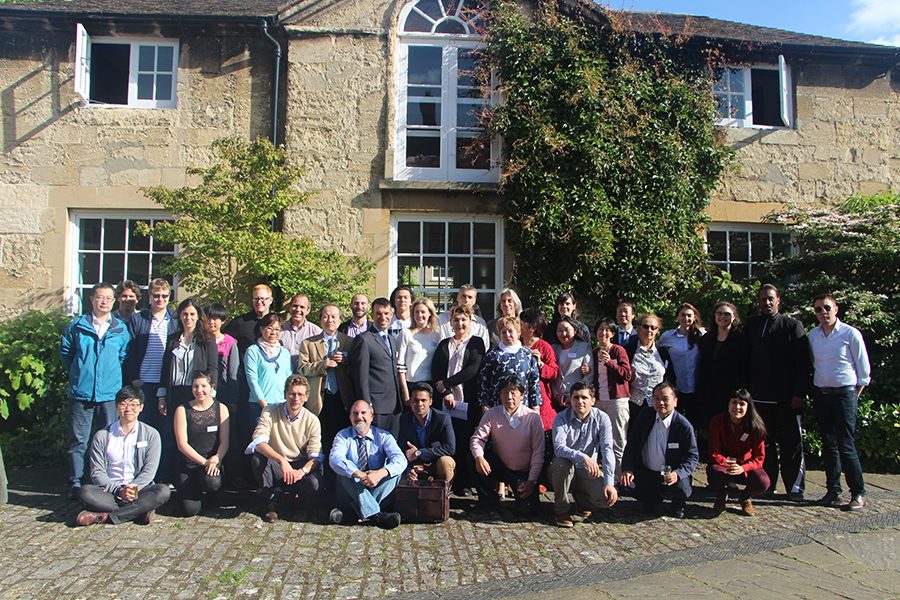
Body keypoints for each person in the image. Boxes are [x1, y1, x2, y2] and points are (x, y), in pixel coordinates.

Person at [60, 282, 131, 495]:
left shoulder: (119, 328)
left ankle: (105, 482)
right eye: (100, 297)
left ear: (114, 301)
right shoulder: (77, 325)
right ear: (91, 299)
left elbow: (123, 357)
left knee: (108, 440)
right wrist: (79, 374)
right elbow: (67, 354)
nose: (104, 302)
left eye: (109, 298)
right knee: (79, 440)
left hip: (109, 394)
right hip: (82, 393)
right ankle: (76, 482)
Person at [745, 284, 811, 501]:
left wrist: (799, 393)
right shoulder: (753, 324)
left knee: (791, 444)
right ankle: (768, 484)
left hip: (786, 399)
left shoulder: (792, 325)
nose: (767, 303)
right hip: (759, 398)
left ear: (778, 300)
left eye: (770, 299)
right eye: (763, 299)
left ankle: (794, 487)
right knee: (765, 444)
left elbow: (804, 364)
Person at [809, 294, 871, 511]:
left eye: (826, 308)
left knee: (846, 445)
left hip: (844, 394)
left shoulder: (850, 333)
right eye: (818, 309)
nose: (823, 312)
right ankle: (833, 490)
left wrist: (854, 394)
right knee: (829, 445)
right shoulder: (813, 336)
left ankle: (858, 493)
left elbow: (863, 370)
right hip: (822, 394)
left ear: (836, 309)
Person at [75, 386, 171, 526]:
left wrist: (132, 489)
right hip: (111, 492)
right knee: (85, 492)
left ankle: (105, 517)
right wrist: (119, 491)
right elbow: (97, 473)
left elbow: (149, 471)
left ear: (141, 407)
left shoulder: (151, 435)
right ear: (116, 406)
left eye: (133, 405)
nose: (128, 409)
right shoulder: (102, 436)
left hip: (139, 491)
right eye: (123, 404)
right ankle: (140, 511)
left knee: (163, 491)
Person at [246, 375, 324, 522]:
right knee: (257, 459)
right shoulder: (270, 411)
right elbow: (258, 442)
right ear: (285, 394)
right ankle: (272, 502)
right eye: (292, 393)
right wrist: (281, 460)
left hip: (298, 465)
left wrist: (301, 472)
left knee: (315, 483)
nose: (296, 398)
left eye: (300, 394)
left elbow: (316, 457)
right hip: (277, 464)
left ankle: (295, 498)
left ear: (307, 397)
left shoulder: (312, 420)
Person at [157, 298, 219, 482]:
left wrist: (210, 397)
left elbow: (213, 368)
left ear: (198, 316)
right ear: (179, 316)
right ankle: (170, 476)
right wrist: (161, 396)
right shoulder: (172, 340)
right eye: (184, 314)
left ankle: (195, 475)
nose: (188, 317)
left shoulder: (207, 339)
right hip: (175, 393)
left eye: (192, 314)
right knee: (172, 435)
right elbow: (164, 370)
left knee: (194, 434)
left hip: (197, 394)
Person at [619, 382, 698, 519]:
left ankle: (678, 504)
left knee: (682, 487)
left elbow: (692, 457)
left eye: (665, 399)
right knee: (625, 483)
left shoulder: (683, 425)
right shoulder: (645, 416)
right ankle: (652, 500)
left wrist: (678, 473)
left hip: (672, 475)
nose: (661, 403)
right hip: (647, 471)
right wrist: (627, 468)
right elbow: (632, 444)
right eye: (656, 398)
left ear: (675, 402)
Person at [469, 375, 545, 516]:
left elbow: (538, 452)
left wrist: (532, 480)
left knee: (527, 511)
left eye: (513, 392)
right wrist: (479, 457)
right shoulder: (492, 414)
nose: (509, 397)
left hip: (523, 472)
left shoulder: (532, 418)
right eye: (505, 392)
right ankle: (489, 499)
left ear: (522, 395)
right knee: (472, 457)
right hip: (501, 467)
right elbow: (477, 439)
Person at [298, 304, 354, 489]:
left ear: (340, 320)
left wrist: (345, 361)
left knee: (340, 441)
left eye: (334, 317)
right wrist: (322, 365)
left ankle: (340, 483)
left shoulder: (349, 342)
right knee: (320, 441)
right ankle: (320, 483)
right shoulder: (309, 343)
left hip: (342, 399)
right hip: (319, 400)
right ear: (320, 319)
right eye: (326, 317)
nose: (330, 320)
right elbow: (301, 369)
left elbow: (356, 368)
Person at [431, 305, 485, 496]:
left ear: (470, 321)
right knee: (447, 440)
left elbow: (472, 370)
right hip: (445, 403)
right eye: (456, 320)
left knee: (464, 441)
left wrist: (446, 383)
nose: (460, 323)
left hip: (467, 402)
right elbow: (435, 370)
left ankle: (463, 483)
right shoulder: (444, 344)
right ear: (451, 322)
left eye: (464, 319)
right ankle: (447, 481)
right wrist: (445, 392)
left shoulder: (477, 343)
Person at [328, 400, 407, 529]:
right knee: (345, 472)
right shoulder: (342, 436)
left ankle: (355, 514)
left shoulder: (384, 436)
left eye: (363, 413)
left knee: (395, 473)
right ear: (350, 417)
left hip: (378, 489)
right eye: (355, 413)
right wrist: (358, 474)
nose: (359, 417)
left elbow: (400, 460)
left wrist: (380, 473)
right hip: (350, 493)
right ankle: (377, 516)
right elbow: (335, 459)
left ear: (371, 417)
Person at [551, 381, 618, 527]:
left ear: (593, 401)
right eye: (575, 397)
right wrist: (583, 457)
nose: (580, 402)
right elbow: (559, 448)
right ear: (571, 399)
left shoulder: (602, 418)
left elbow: (607, 450)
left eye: (584, 398)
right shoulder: (561, 418)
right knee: (563, 464)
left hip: (587, 472)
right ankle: (561, 509)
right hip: (563, 470)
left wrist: (609, 483)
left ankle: (581, 499)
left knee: (607, 499)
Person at [173, 371, 229, 516]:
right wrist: (204, 462)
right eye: (195, 386)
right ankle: (195, 491)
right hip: (189, 464)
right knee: (189, 510)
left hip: (212, 463)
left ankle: (211, 494)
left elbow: (225, 441)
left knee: (211, 482)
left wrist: (217, 458)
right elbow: (182, 444)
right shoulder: (182, 409)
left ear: (211, 387)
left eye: (203, 386)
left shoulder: (221, 408)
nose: (199, 390)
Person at [125, 278, 178, 430]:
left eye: (164, 296)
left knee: (166, 429)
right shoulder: (138, 319)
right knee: (143, 427)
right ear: (149, 295)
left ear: (169, 296)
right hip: (144, 383)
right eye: (156, 295)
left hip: (168, 383)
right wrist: (135, 378)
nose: (160, 299)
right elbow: (130, 351)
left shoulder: (175, 319)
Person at [708, 389, 769, 517]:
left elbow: (759, 457)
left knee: (763, 482)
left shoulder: (756, 426)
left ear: (748, 407)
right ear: (728, 404)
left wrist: (742, 468)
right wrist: (729, 464)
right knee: (714, 473)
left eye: (742, 404)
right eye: (734, 402)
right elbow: (714, 453)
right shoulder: (717, 421)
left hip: (745, 467)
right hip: (724, 466)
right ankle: (720, 496)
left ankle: (745, 497)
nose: (737, 407)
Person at [350, 298, 403, 439]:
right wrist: (367, 406)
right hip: (376, 406)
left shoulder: (392, 339)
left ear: (392, 314)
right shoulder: (363, 340)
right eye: (378, 314)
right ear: (372, 316)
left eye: (386, 313)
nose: (383, 317)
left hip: (395, 405)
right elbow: (360, 377)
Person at [697, 301, 748, 441]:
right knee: (710, 425)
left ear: (734, 317)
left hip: (729, 391)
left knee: (728, 427)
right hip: (708, 391)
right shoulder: (707, 339)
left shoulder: (740, 339)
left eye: (727, 314)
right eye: (719, 313)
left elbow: (744, 367)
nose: (722, 317)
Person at [592, 317, 633, 476]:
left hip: (617, 401)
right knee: (599, 439)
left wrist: (610, 363)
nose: (603, 332)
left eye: (607, 329)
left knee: (618, 440)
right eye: (600, 329)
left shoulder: (618, 351)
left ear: (613, 333)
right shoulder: (594, 352)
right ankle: (600, 475)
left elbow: (627, 374)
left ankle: (619, 476)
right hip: (599, 401)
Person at [478, 316, 541, 411]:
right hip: (498, 406)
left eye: (511, 331)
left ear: (519, 332)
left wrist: (536, 406)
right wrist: (484, 404)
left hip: (522, 407)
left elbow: (534, 381)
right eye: (504, 332)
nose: (507, 335)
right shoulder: (492, 354)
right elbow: (483, 380)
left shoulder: (527, 354)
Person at [657, 303, 705, 425]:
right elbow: (657, 351)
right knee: (675, 422)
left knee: (695, 423)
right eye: (682, 315)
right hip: (678, 387)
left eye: (689, 315)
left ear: (694, 317)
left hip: (697, 387)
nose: (686, 318)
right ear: (677, 317)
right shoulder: (668, 336)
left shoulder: (702, 335)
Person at [398, 383, 456, 483]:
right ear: (410, 402)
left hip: (436, 462)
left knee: (446, 462)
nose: (419, 404)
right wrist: (408, 469)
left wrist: (419, 453)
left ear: (430, 401)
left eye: (423, 400)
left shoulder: (442, 418)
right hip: (416, 465)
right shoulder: (404, 419)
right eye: (415, 401)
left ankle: (445, 494)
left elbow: (450, 449)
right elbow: (401, 449)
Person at [624, 313, 673, 424]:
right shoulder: (629, 350)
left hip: (658, 405)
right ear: (639, 328)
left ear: (657, 331)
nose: (649, 330)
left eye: (653, 327)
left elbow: (670, 377)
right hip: (634, 404)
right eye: (646, 326)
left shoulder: (663, 352)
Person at [245, 313, 292, 425]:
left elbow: (288, 377)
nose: (273, 333)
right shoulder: (253, 351)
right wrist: (265, 406)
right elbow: (252, 381)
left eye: (277, 329)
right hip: (259, 405)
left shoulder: (284, 352)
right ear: (261, 329)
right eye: (269, 328)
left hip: (281, 405)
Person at [397, 297, 441, 405]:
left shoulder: (436, 335)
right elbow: (400, 365)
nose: (419, 315)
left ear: (430, 313)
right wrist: (405, 391)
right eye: (416, 312)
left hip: (430, 385)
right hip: (411, 384)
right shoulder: (406, 334)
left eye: (423, 312)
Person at [551, 315, 593, 409]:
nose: (563, 333)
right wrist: (556, 395)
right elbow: (551, 375)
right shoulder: (553, 348)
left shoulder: (584, 347)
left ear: (575, 330)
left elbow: (589, 375)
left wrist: (574, 395)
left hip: (577, 400)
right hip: (556, 399)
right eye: (560, 330)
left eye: (566, 330)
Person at [436, 284, 491, 349]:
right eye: (463, 296)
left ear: (474, 301)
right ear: (457, 298)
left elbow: (485, 347)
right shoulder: (441, 319)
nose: (466, 300)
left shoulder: (480, 324)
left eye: (470, 297)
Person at [280, 292, 323, 372]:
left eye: (302, 307)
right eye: (295, 306)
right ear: (290, 307)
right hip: (285, 380)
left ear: (308, 310)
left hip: (308, 380)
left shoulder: (316, 332)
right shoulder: (280, 330)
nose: (298, 309)